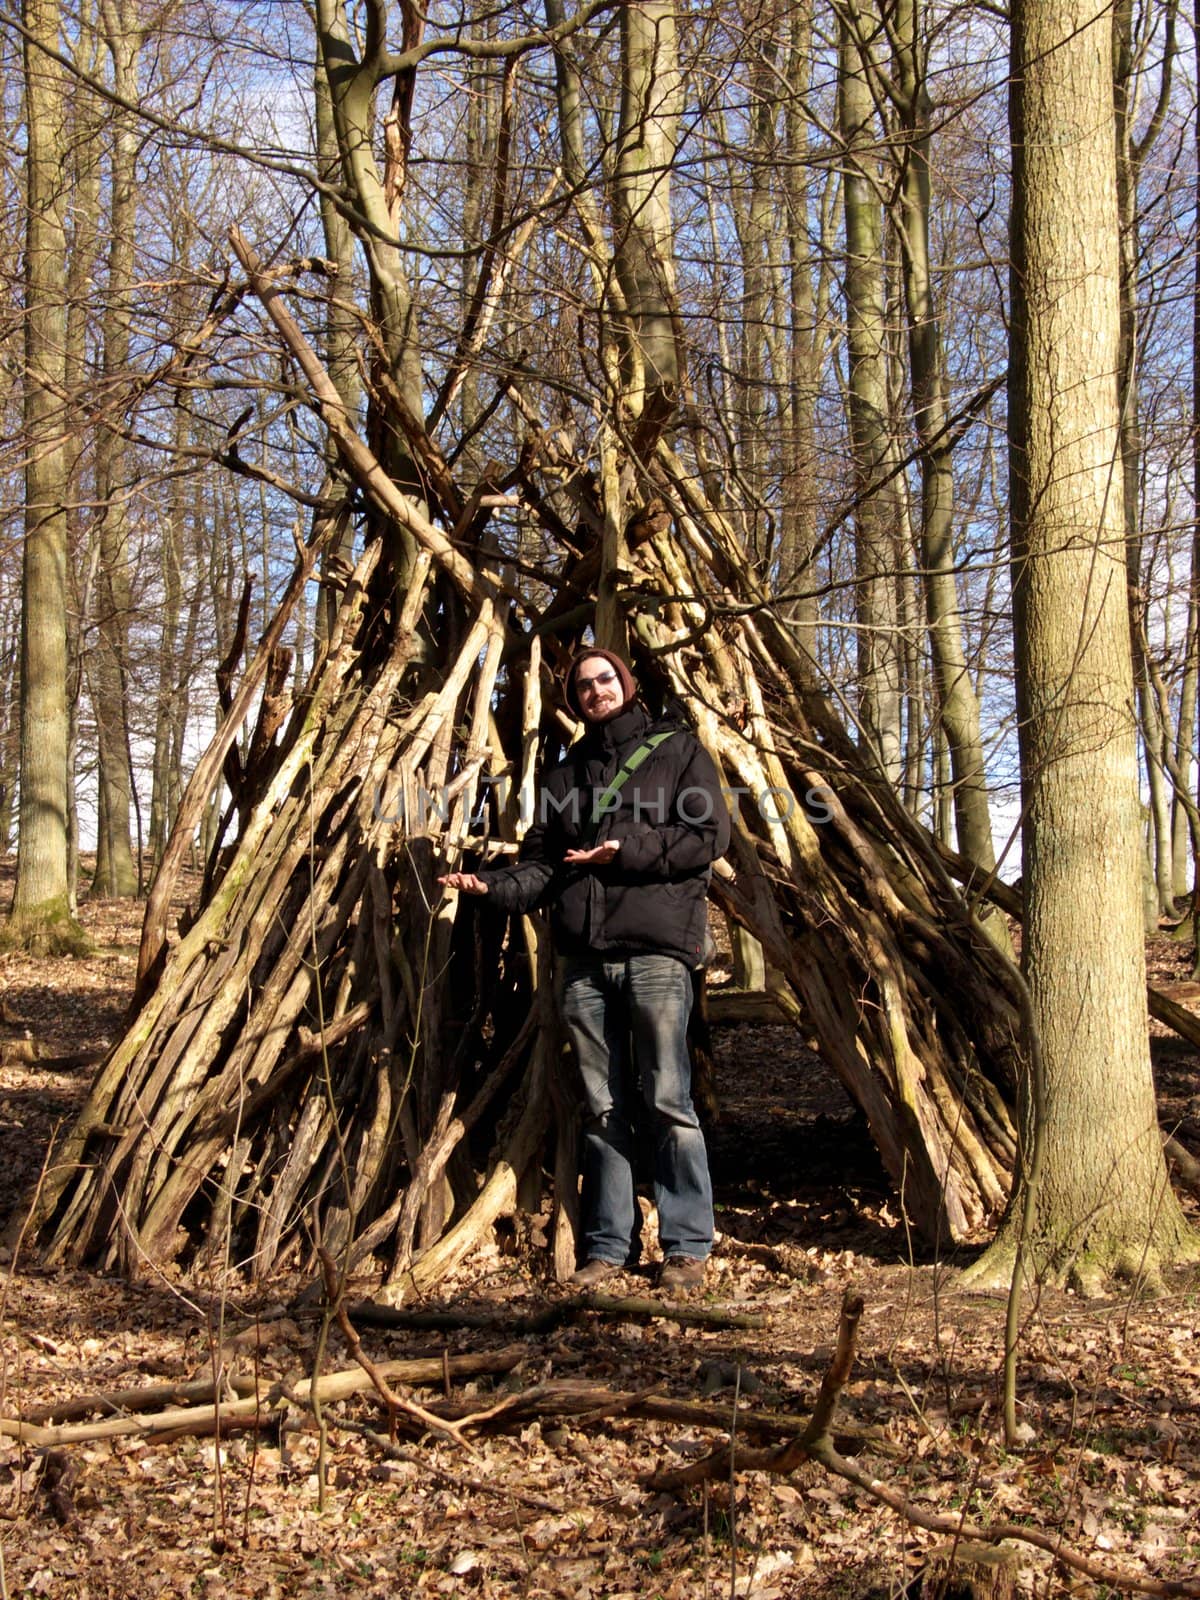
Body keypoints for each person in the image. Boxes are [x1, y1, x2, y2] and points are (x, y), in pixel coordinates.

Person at [440, 648, 730, 1293]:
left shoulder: (676, 752)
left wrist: (626, 851)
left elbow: (708, 836)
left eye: (606, 680)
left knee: (667, 1099)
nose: (596, 691)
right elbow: (546, 868)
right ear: (572, 701)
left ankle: (686, 1247)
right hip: (583, 962)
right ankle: (608, 1246)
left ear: (625, 685)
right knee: (601, 1108)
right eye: (583, 686)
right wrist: (492, 888)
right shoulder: (564, 774)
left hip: (656, 951)